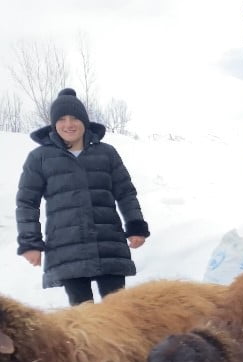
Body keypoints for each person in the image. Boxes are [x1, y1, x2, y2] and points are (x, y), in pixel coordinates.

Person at [16, 88, 150, 306]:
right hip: (67, 248)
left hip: (108, 244)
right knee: (83, 315)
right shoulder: (39, 158)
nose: (69, 124)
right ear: (53, 124)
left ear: (84, 121)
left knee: (119, 312)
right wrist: (30, 243)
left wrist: (135, 226)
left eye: (75, 118)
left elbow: (125, 192)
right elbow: (26, 203)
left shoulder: (106, 153)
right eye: (61, 119)